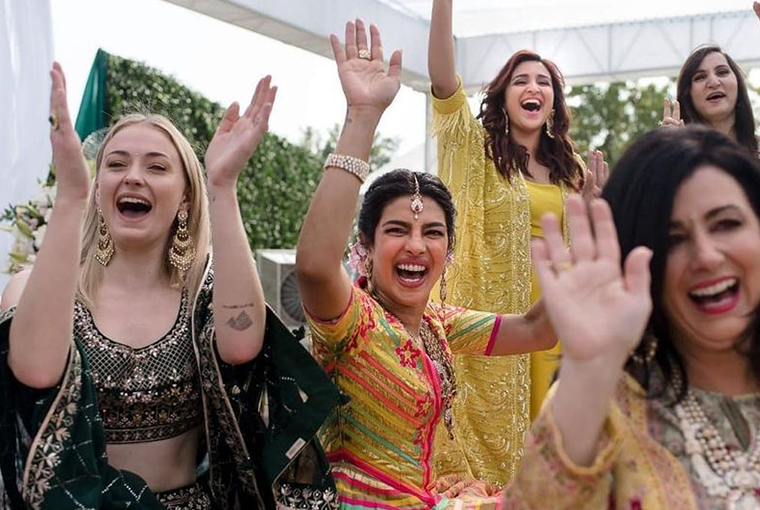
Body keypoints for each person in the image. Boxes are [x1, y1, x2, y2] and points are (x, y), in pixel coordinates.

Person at [0, 63, 339, 510]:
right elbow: (36, 375)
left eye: (156, 166)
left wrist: (222, 185)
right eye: (116, 164)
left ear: (184, 197)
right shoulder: (34, 288)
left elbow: (242, 347)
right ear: (99, 187)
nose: (133, 176)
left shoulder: (203, 293)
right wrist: (69, 200)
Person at [296, 19, 558, 509]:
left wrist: (586, 253)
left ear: (448, 252)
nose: (416, 245)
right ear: (366, 248)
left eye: (432, 233)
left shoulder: (439, 325)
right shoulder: (353, 322)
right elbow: (312, 266)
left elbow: (539, 331)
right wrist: (361, 118)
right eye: (397, 230)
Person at [504, 125, 760, 509]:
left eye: (726, 224)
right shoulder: (604, 408)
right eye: (674, 240)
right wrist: (588, 371)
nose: (706, 256)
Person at [426, 0, 608, 484]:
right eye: (522, 80)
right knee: (492, 448)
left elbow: (584, 253)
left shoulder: (572, 170)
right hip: (493, 321)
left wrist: (590, 212)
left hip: (554, 320)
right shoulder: (475, 149)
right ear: (503, 96)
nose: (533, 88)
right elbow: (444, 78)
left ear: (553, 103)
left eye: (544, 82)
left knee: (555, 437)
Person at [660, 3, 759, 156]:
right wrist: (670, 157)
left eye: (722, 72)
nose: (713, 82)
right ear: (688, 94)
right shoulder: (676, 157)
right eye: (700, 77)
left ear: (738, 83)